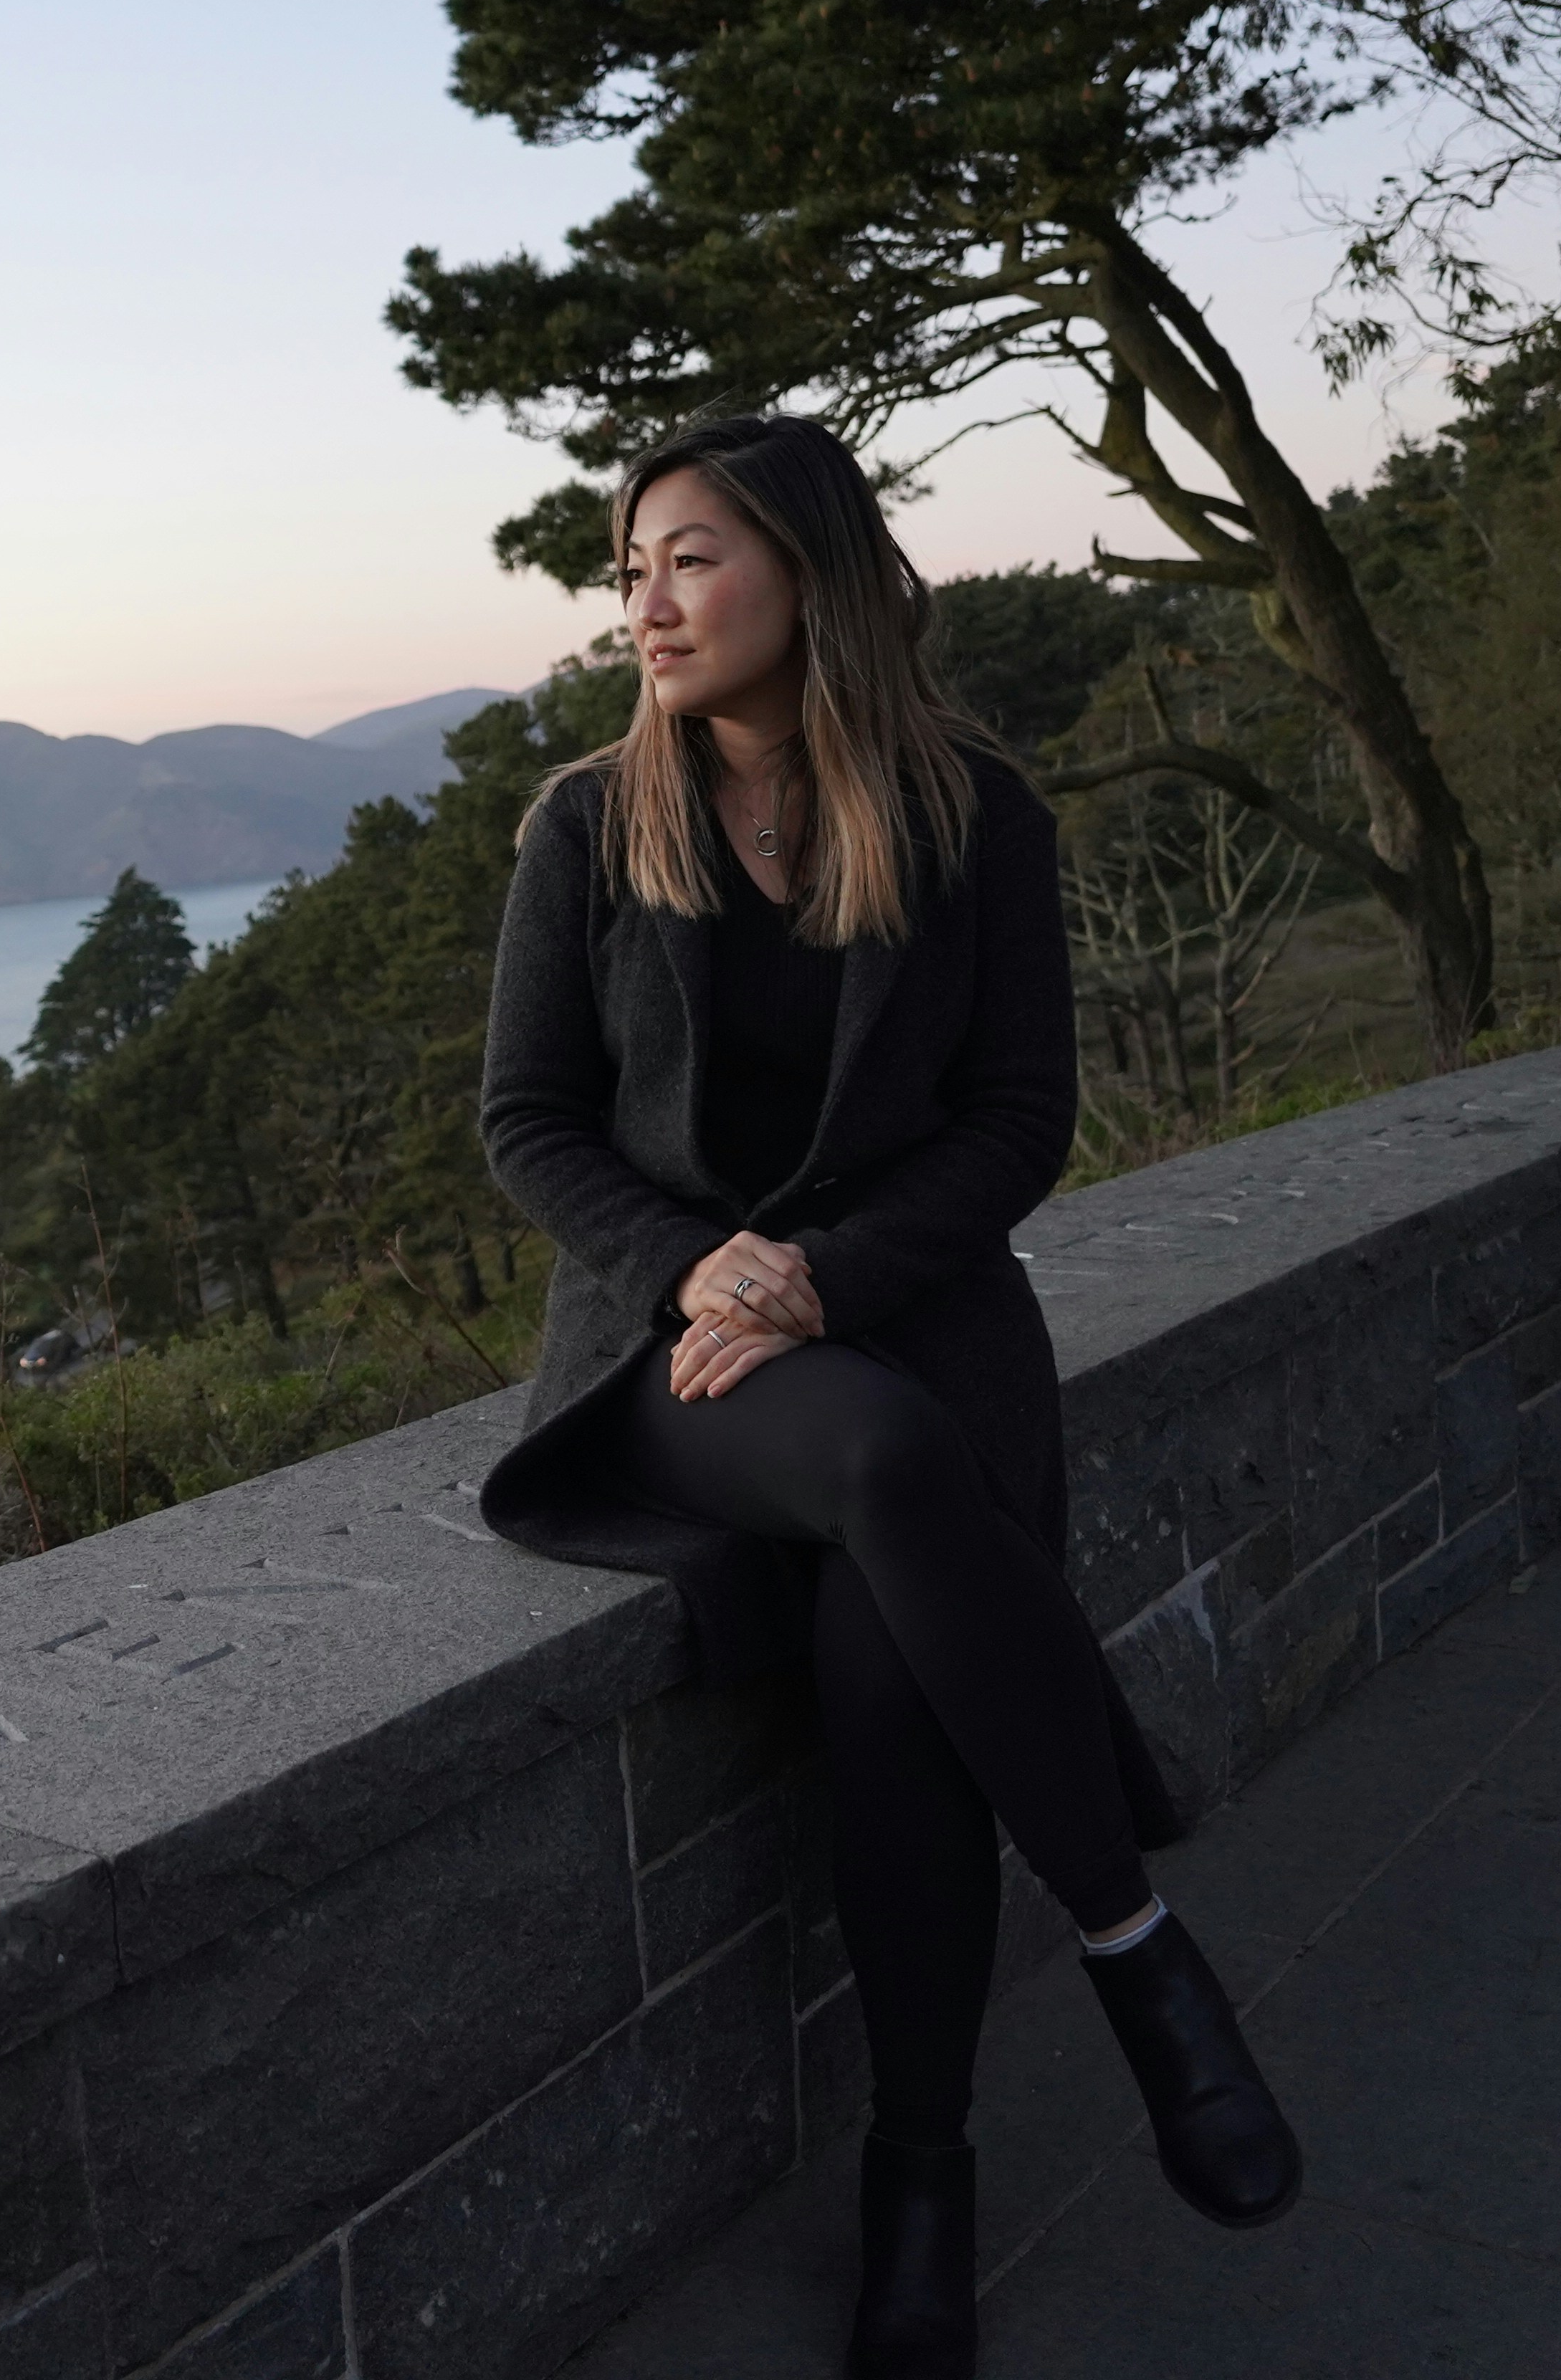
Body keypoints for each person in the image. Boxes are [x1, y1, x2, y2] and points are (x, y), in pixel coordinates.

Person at [475, 416, 1299, 2377]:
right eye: (633, 568)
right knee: (879, 1451)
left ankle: (920, 2180)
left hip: (910, 1313)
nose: (645, 605)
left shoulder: (970, 812)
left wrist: (832, 1273)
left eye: (688, 561)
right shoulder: (590, 821)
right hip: (680, 1362)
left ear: (810, 571)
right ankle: (1135, 1944)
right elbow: (527, 1125)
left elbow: (1022, 1120)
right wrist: (711, 1267)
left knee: (889, 1687)